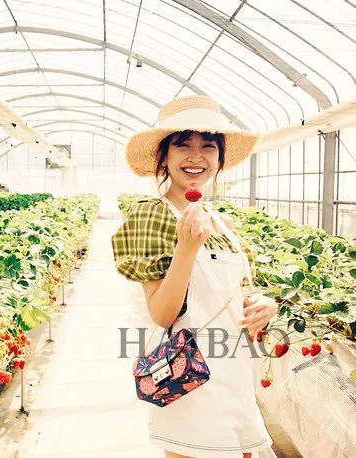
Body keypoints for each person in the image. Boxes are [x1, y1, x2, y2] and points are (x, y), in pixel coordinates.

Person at [111, 95, 278, 458]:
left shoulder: (222, 221)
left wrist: (265, 305)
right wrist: (186, 249)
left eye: (208, 146)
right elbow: (162, 314)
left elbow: (235, 293)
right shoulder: (152, 215)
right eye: (183, 144)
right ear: (163, 156)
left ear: (219, 160)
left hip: (237, 372)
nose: (196, 156)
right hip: (189, 376)